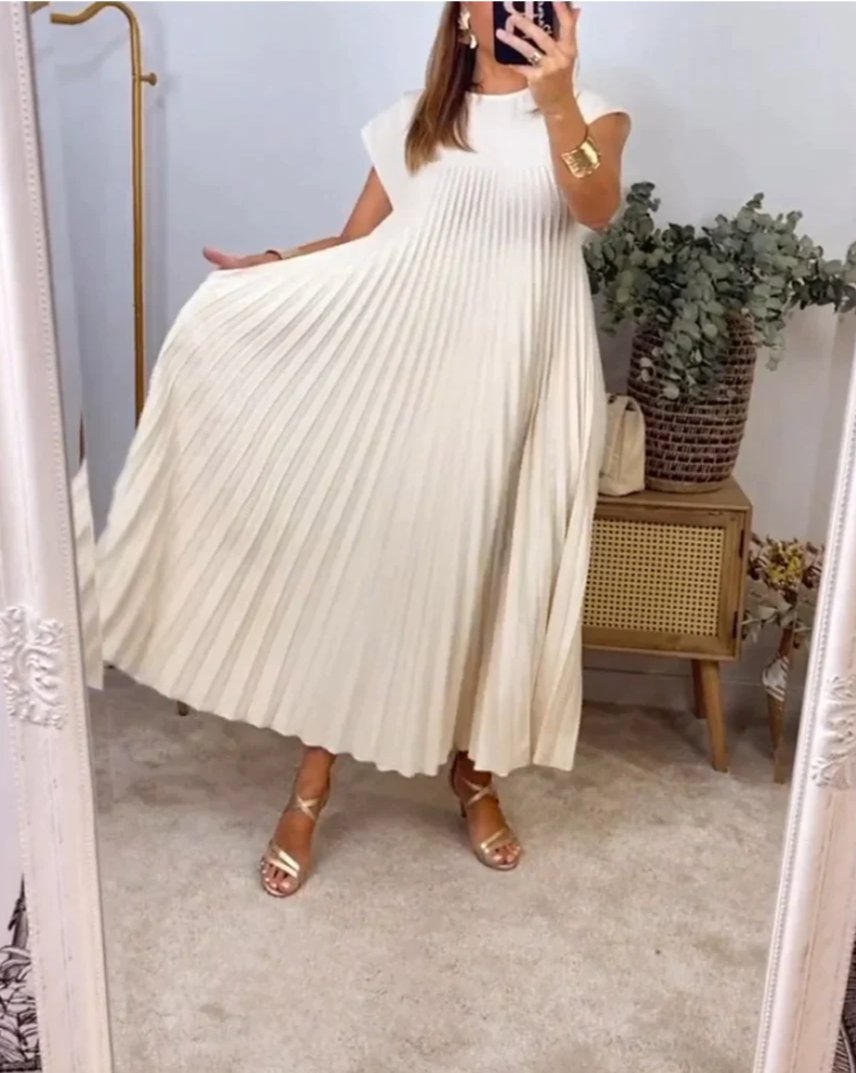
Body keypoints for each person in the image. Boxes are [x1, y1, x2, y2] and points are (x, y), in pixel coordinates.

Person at [96, 0, 631, 897]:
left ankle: (475, 775)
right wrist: (276, 266)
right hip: (418, 376)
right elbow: (360, 245)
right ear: (465, 19)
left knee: (500, 576)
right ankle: (310, 787)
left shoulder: (593, 115)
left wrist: (558, 98)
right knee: (374, 571)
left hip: (530, 380)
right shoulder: (416, 122)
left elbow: (598, 205)